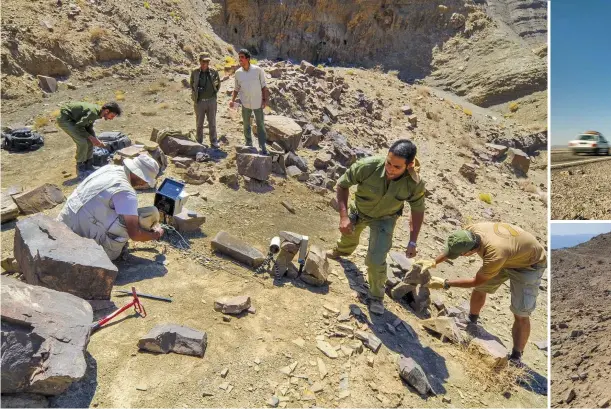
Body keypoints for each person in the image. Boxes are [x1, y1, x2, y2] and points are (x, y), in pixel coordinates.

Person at [421, 222, 547, 366]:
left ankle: (516, 356)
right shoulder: (470, 231)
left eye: (460, 255)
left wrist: (446, 283)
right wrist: (433, 262)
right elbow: (455, 247)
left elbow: (475, 281)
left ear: (469, 252)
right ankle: (471, 320)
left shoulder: (494, 255)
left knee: (521, 313)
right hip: (510, 254)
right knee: (481, 289)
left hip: (529, 265)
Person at [326, 139, 426, 315]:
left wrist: (413, 241)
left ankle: (376, 296)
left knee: (376, 259)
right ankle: (341, 251)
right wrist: (343, 217)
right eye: (388, 163)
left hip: (384, 219)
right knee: (349, 235)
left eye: (397, 167)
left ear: (409, 165)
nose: (390, 169)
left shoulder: (414, 183)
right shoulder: (368, 166)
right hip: (359, 210)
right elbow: (342, 185)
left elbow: (417, 210)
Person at [57, 155, 164, 261]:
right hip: (81, 239)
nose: (144, 183)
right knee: (149, 214)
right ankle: (108, 249)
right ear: (138, 174)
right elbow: (134, 234)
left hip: (64, 222)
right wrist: (155, 235)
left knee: (133, 214)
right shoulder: (126, 193)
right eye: (145, 179)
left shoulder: (109, 168)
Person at [56, 101, 121, 178]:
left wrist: (95, 139)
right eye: (112, 116)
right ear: (107, 111)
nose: (111, 119)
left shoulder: (98, 112)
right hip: (66, 119)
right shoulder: (93, 113)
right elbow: (79, 127)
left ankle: (89, 165)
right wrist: (91, 137)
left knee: (90, 142)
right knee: (82, 142)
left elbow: (88, 127)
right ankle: (80, 169)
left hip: (75, 120)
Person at [229, 48, 269, 154]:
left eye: (242, 57)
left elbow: (264, 86)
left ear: (248, 58)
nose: (240, 59)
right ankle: (248, 143)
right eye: (239, 58)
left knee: (260, 124)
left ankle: (263, 145)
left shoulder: (257, 70)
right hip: (245, 103)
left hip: (258, 103)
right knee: (246, 124)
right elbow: (236, 88)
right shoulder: (238, 73)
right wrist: (232, 100)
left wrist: (265, 100)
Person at [190, 52, 221, 148]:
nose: (205, 63)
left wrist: (213, 94)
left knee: (212, 122)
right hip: (199, 102)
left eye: (207, 61)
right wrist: (196, 95)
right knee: (199, 123)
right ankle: (199, 140)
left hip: (211, 101)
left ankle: (214, 140)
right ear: (199, 61)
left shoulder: (213, 72)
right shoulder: (195, 72)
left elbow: (218, 84)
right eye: (203, 61)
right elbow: (192, 84)